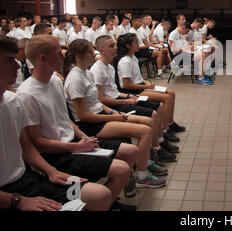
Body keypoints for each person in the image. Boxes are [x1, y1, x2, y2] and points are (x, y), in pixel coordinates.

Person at [16, 35, 138, 210]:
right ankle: (105, 204)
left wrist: (85, 137)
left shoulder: (55, 81)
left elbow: (64, 118)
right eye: (58, 53)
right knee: (119, 171)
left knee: (128, 156)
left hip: (74, 142)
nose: (64, 56)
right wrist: (76, 147)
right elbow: (38, 143)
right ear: (42, 58)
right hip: (56, 155)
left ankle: (109, 204)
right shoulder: (27, 94)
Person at [0, 35, 112, 211]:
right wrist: (18, 200)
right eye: (8, 61)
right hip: (10, 194)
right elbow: (38, 143)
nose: (17, 66)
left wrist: (51, 172)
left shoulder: (13, 101)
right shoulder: (25, 95)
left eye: (15, 59)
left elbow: (26, 147)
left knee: (99, 196)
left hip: (29, 178)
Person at [63, 39, 166, 188]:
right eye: (90, 52)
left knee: (147, 125)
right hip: (91, 125)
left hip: (101, 116)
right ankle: (142, 176)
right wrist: (114, 116)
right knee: (145, 131)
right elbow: (83, 116)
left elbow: (98, 103)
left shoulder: (86, 73)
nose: (94, 54)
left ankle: (146, 163)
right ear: (79, 56)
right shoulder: (75, 78)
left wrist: (112, 111)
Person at [91, 35, 179, 160]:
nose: (115, 48)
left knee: (166, 99)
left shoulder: (110, 66)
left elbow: (115, 91)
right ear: (101, 50)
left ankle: (163, 134)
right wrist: (127, 98)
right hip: (119, 100)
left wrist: (128, 96)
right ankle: (158, 144)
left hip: (124, 95)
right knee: (159, 106)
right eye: (111, 46)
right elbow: (121, 88)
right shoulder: (103, 68)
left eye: (115, 45)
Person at [115, 33, 185, 142]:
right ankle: (165, 130)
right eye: (136, 42)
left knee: (171, 93)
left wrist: (146, 82)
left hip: (141, 85)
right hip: (133, 90)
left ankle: (170, 123)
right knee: (166, 98)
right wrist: (146, 85)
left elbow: (138, 77)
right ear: (128, 46)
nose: (139, 44)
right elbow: (126, 85)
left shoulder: (133, 57)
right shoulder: (125, 61)